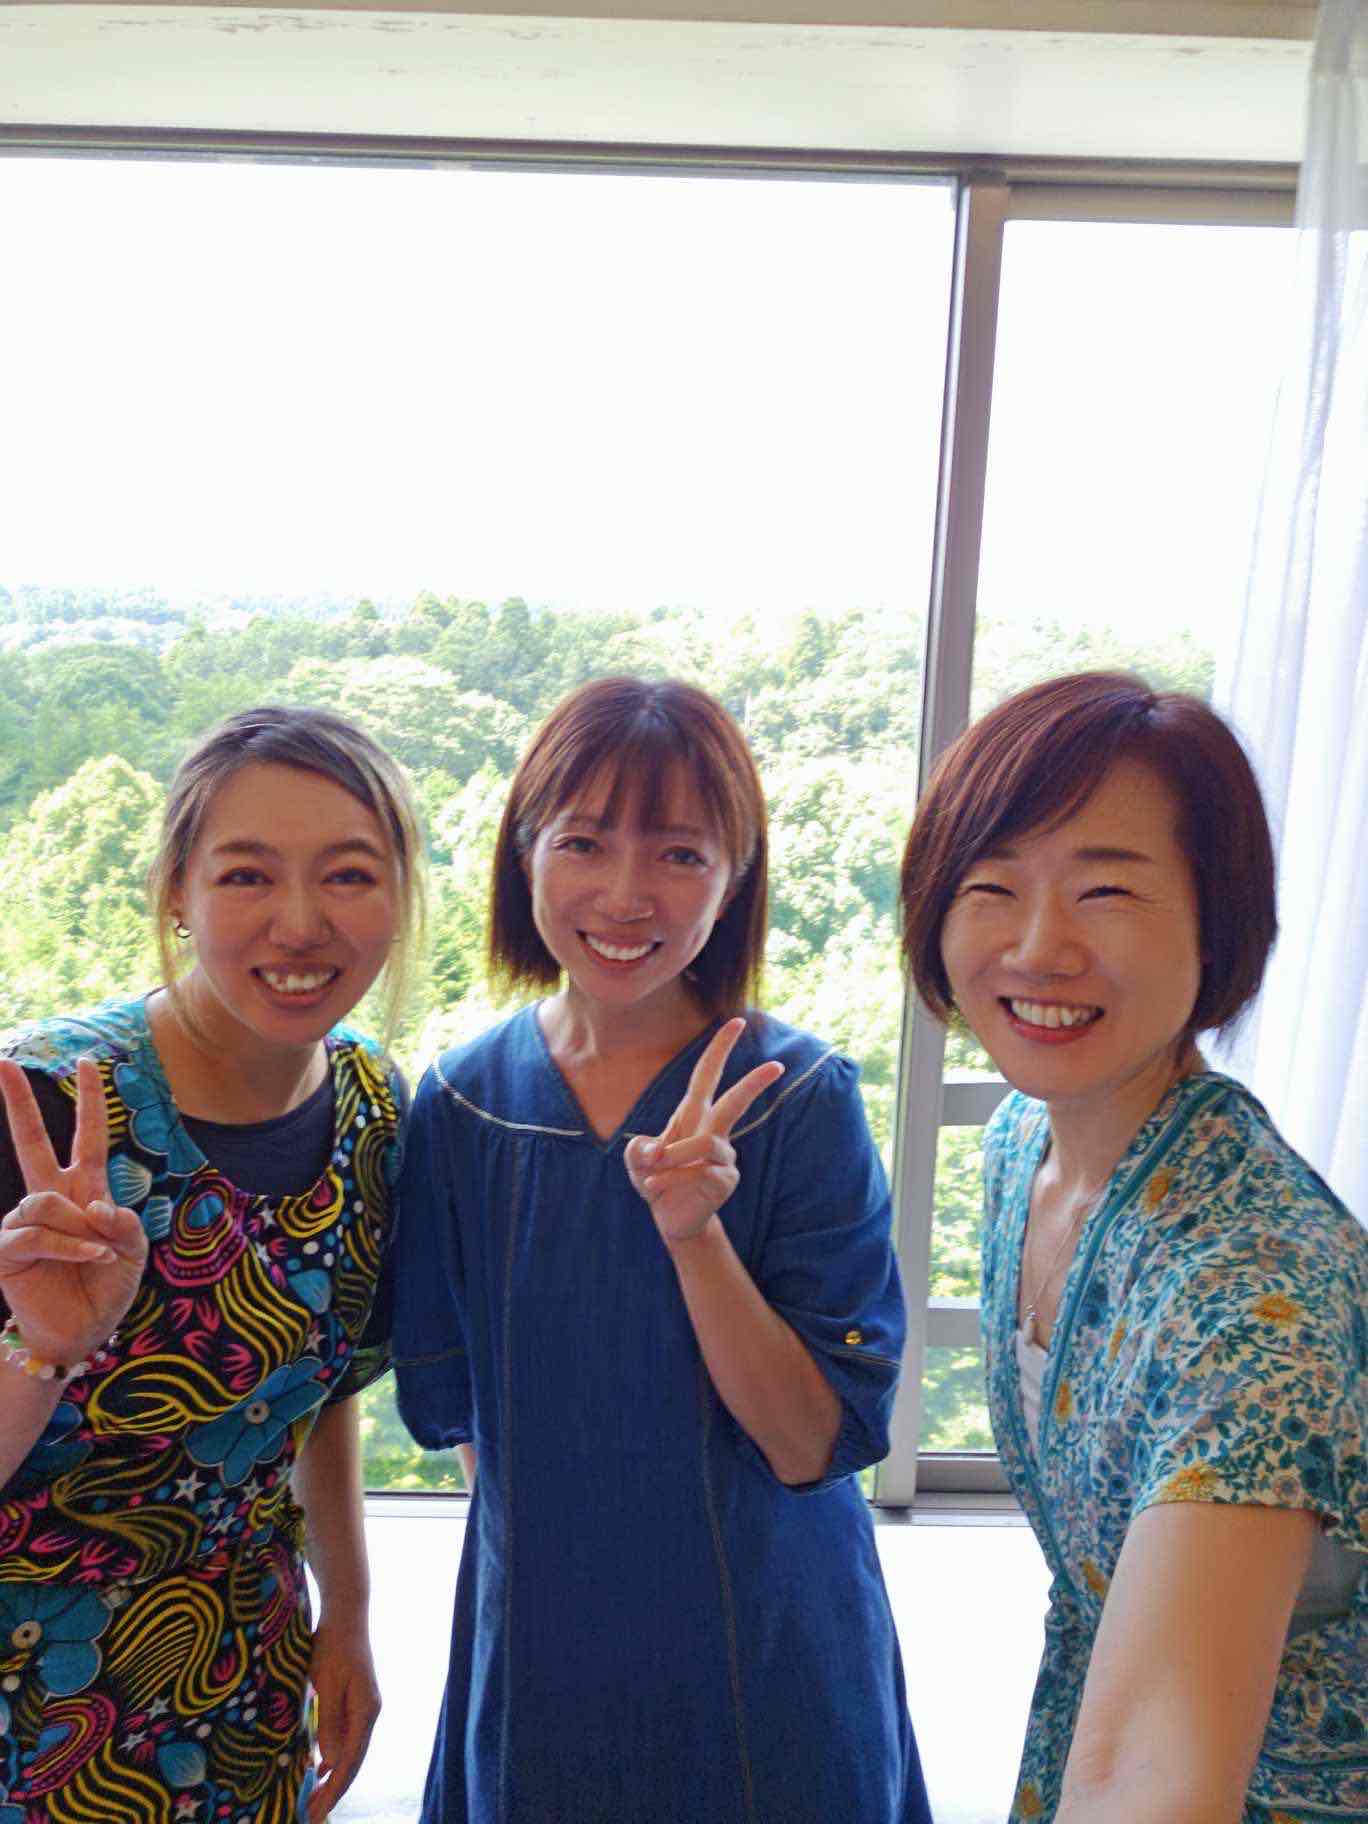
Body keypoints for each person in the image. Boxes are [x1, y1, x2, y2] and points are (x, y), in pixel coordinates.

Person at [390, 676, 930, 1824]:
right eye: (584, 842)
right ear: (524, 854)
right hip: (542, 1650)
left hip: (764, 1638)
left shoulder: (799, 1098)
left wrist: (696, 1239)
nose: (627, 895)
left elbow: (809, 1443)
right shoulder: (463, 1104)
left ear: (734, 880)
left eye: (681, 854)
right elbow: (473, 1426)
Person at [899, 670, 1367, 1824]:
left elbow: (1155, 1782)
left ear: (1217, 923)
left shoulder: (1255, 1303)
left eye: (1106, 890)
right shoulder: (1024, 1146)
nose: (1038, 947)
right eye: (992, 887)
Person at [0, 705, 424, 1824]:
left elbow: (328, 1394)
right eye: (246, 876)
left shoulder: (374, 1108)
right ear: (177, 894)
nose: (301, 924)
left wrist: (349, 1616)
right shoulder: (43, 1108)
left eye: (348, 876)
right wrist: (43, 1351)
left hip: (243, 1681)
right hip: (31, 1697)